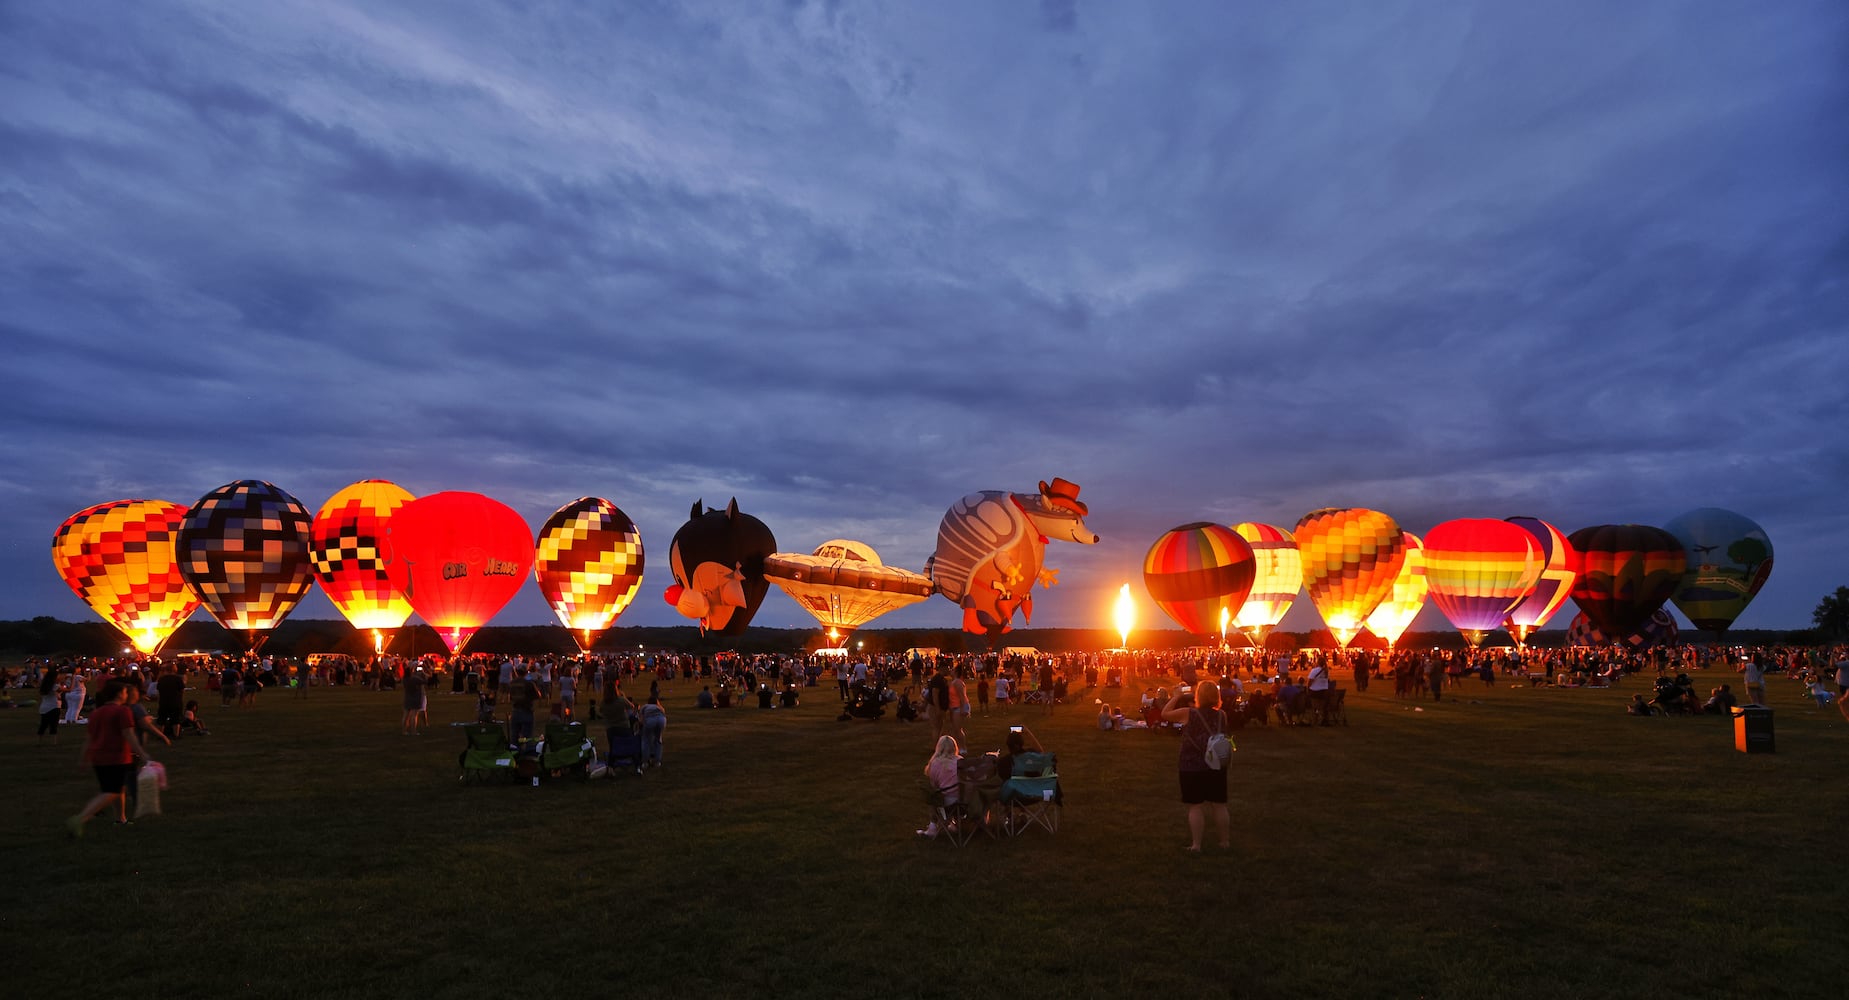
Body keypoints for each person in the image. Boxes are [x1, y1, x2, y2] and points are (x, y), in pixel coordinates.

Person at [66, 680, 147, 836]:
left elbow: (89, 739)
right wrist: (143, 755)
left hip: (98, 757)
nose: (126, 695)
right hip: (116, 757)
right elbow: (129, 735)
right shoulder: (123, 711)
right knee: (112, 791)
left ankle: (120, 819)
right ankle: (81, 818)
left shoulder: (97, 712)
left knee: (117, 788)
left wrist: (84, 759)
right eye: (124, 692)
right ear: (118, 694)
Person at [1162, 680, 1231, 853]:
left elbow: (1165, 714)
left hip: (1191, 765)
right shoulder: (1222, 715)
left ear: (1197, 695)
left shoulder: (1189, 714)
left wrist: (1177, 696)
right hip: (1216, 764)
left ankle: (1196, 845)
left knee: (1195, 806)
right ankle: (1224, 841)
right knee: (1219, 804)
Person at [916, 735, 961, 839]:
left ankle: (932, 827)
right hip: (963, 800)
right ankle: (953, 823)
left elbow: (934, 785)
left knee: (931, 796)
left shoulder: (935, 763)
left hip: (945, 802)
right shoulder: (960, 761)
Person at [639, 696, 667, 768]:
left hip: (650, 720)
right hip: (661, 720)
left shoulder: (645, 706)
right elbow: (663, 714)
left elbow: (641, 719)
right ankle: (657, 762)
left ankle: (645, 762)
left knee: (646, 740)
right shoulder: (660, 707)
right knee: (658, 740)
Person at [37, 669, 61, 745]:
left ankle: (40, 741)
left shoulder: (44, 686)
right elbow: (69, 689)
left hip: (44, 707)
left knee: (43, 724)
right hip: (54, 707)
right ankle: (54, 742)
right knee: (53, 725)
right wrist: (73, 678)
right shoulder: (55, 686)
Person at [401, 666, 427, 735]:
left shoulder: (404, 679)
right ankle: (413, 731)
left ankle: (404, 731)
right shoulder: (415, 679)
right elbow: (425, 681)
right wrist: (423, 673)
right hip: (415, 697)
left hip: (407, 697)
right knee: (414, 715)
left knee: (406, 715)